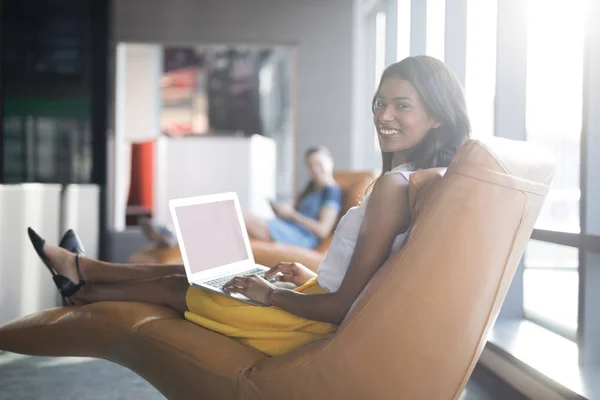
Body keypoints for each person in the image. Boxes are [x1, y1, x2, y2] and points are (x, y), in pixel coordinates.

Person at [27, 56, 470, 357]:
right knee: (196, 273)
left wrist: (271, 295)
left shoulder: (397, 185)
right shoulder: (415, 180)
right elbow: (360, 278)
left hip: (309, 324)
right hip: (312, 300)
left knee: (183, 287)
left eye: (401, 106)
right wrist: (309, 277)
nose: (383, 115)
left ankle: (84, 284)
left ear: (437, 116)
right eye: (380, 102)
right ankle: (83, 273)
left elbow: (342, 307)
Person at [140, 146, 342, 250]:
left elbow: (322, 230)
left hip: (303, 239)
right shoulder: (310, 189)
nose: (315, 169)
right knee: (228, 224)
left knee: (239, 216)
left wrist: (292, 214)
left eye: (319, 163)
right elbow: (293, 216)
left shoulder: (331, 191)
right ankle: (175, 237)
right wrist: (283, 212)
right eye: (310, 165)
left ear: (330, 162)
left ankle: (174, 235)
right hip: (288, 228)